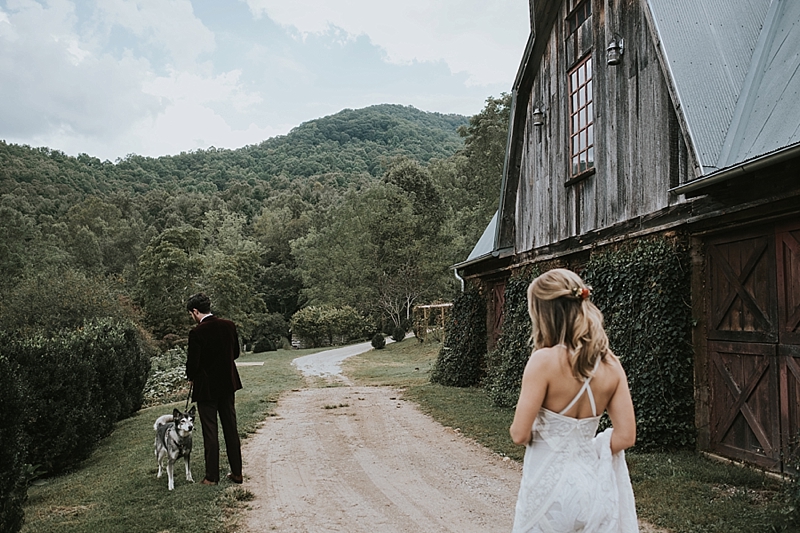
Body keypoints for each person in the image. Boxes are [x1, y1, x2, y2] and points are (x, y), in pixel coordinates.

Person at [509, 269, 638, 532]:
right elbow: (626, 437)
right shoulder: (611, 365)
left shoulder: (543, 361)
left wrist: (548, 434)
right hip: (592, 486)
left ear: (544, 314)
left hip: (547, 488)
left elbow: (519, 434)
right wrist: (587, 446)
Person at [185, 292, 244, 486]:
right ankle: (237, 473)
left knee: (210, 431)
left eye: (191, 314)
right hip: (228, 384)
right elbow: (235, 353)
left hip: (206, 388)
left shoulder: (197, 333)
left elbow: (193, 364)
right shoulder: (229, 326)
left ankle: (212, 477)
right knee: (230, 428)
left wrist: (191, 377)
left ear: (195, 311)